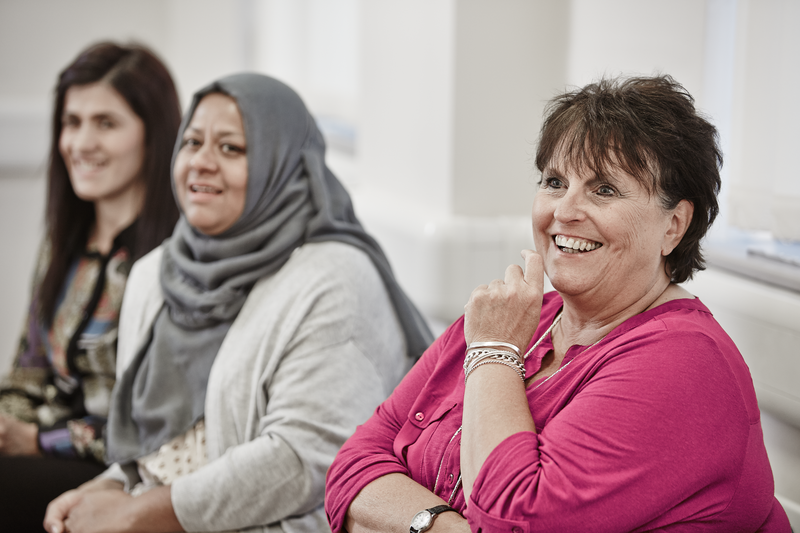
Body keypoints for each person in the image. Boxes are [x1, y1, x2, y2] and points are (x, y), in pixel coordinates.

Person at [325, 75, 792, 532]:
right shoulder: (516, 315)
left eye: (604, 189)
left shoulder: (685, 363)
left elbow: (516, 519)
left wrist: (493, 352)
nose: (563, 211)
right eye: (553, 182)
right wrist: (438, 526)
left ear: (674, 226)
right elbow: (351, 468)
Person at [43, 72, 433, 533]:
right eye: (191, 142)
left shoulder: (335, 278)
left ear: (282, 163)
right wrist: (110, 486)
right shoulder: (157, 273)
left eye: (231, 148)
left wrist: (136, 515)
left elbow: (304, 462)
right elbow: (155, 445)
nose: (201, 162)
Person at [0, 42, 181, 529]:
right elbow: (28, 371)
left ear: (154, 135)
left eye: (106, 123)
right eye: (72, 122)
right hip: (36, 449)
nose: (81, 142)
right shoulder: (63, 243)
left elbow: (160, 425)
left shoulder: (177, 261)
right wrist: (3, 424)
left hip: (116, 470)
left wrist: (36, 440)